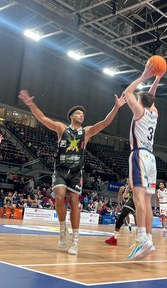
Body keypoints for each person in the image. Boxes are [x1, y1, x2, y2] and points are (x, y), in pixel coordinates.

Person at [18, 89, 125, 255]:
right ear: (71, 116)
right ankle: (62, 227)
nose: (81, 115)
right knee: (59, 197)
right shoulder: (62, 128)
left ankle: (75, 240)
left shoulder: (87, 131)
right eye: (78, 113)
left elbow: (104, 123)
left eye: (82, 114)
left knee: (74, 201)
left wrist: (116, 107)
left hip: (76, 172)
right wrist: (31, 104)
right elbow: (43, 118)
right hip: (60, 169)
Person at [124, 61, 162, 260]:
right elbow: (151, 98)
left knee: (138, 198)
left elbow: (127, 93)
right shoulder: (154, 114)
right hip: (151, 159)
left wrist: (144, 76)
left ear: (140, 102)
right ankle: (149, 240)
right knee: (147, 201)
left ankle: (141, 239)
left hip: (138, 154)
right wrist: (157, 78)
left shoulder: (139, 111)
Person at [105, 179, 136, 246]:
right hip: (130, 200)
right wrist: (119, 203)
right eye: (127, 180)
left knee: (137, 218)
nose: (128, 180)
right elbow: (120, 195)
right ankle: (115, 237)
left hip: (140, 200)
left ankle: (144, 238)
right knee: (123, 215)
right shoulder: (123, 187)